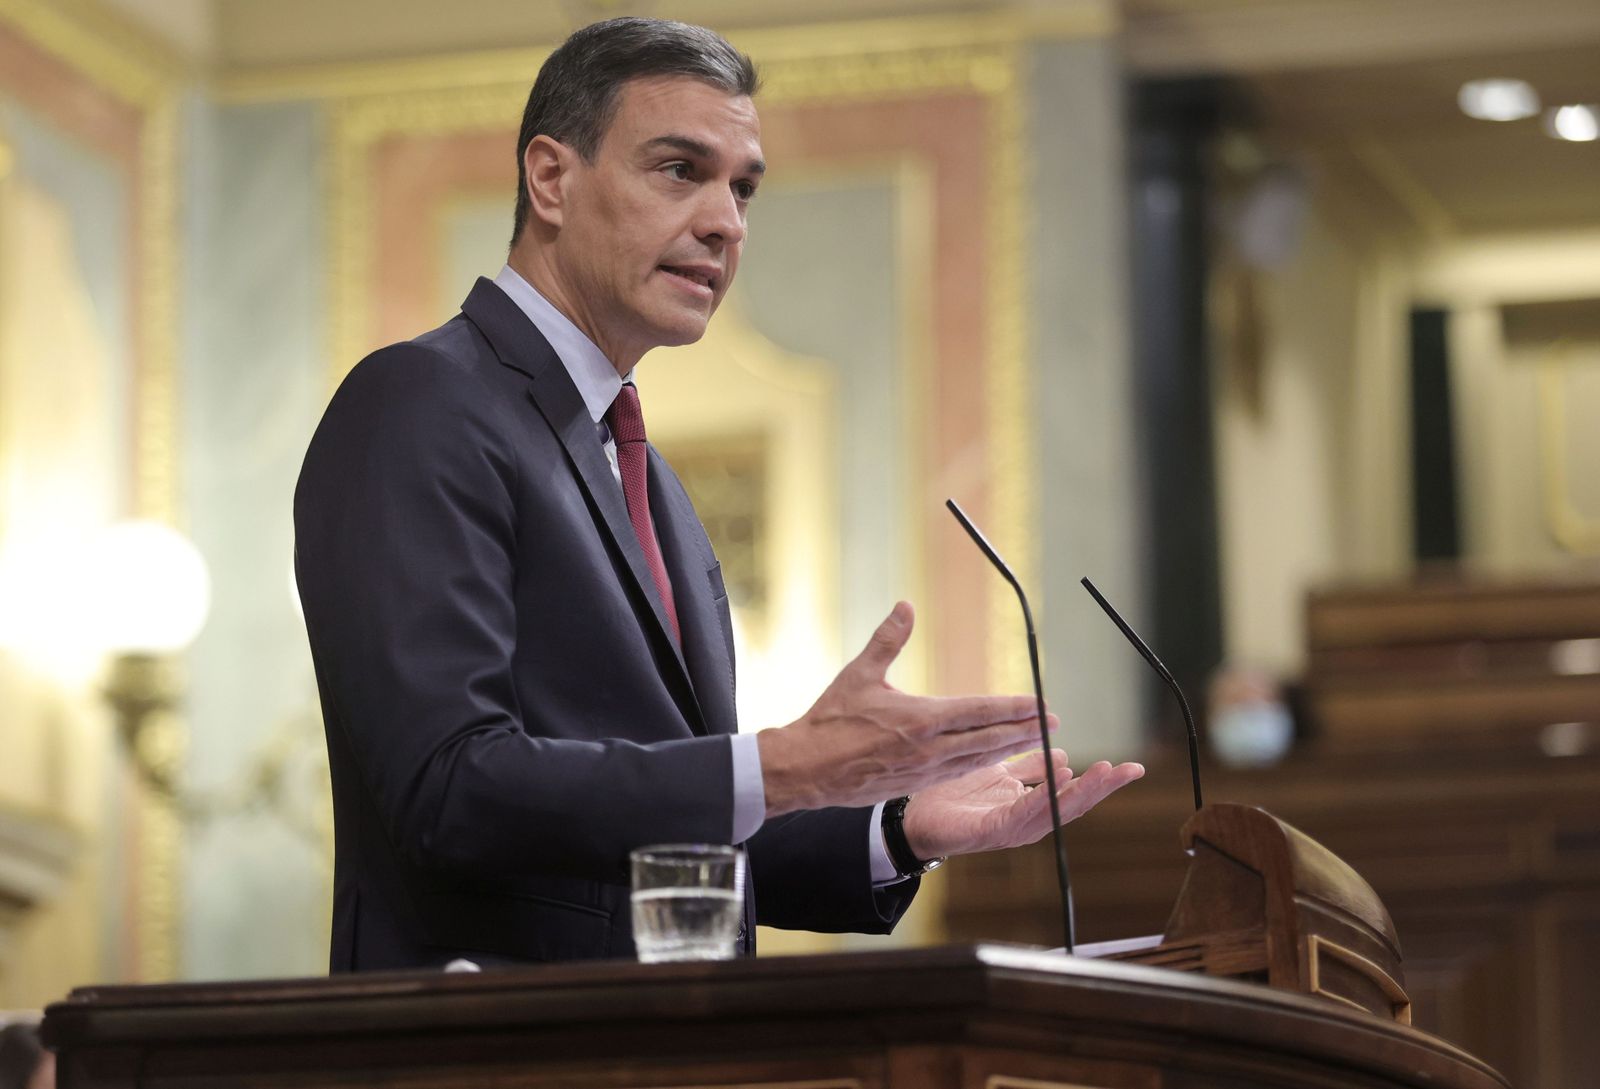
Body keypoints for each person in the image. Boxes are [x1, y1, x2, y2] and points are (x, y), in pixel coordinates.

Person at [294, 16, 1143, 971]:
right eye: (678, 170)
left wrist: (898, 827)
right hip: (486, 1053)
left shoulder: (648, 477)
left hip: (676, 1047)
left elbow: (669, 838)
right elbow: (447, 789)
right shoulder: (420, 403)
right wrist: (782, 763)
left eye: (742, 187)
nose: (726, 222)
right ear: (550, 179)